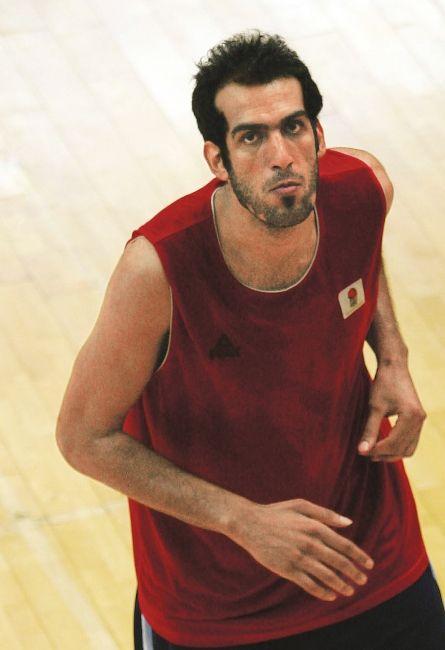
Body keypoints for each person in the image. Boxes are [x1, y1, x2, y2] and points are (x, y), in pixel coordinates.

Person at [56, 31, 445, 650]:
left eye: (293, 127)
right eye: (251, 137)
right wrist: (242, 521)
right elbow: (83, 438)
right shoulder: (158, 269)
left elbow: (362, 248)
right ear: (217, 160)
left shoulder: (363, 190)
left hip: (375, 563)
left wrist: (392, 357)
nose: (281, 155)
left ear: (319, 135)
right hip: (218, 611)